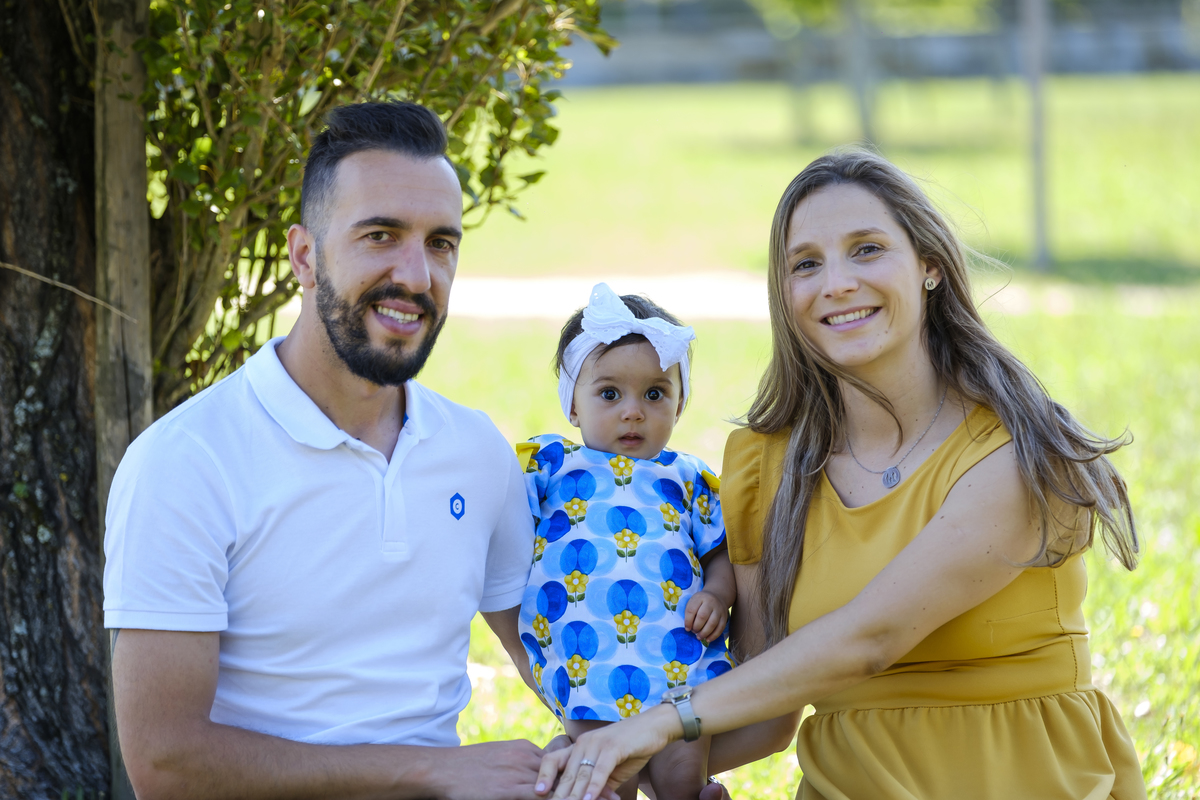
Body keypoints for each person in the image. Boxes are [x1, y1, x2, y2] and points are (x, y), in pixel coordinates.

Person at [536, 149, 1147, 800]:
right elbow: (769, 709)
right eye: (807, 264)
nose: (836, 284)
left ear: (930, 266)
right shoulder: (766, 466)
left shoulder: (1019, 455)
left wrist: (656, 725)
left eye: (866, 249)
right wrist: (606, 756)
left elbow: (870, 640)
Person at [102, 101, 579, 800]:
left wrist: (644, 755)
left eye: (441, 243)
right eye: (381, 235)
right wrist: (430, 771)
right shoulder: (185, 462)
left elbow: (557, 661)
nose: (416, 276)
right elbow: (166, 763)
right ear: (304, 255)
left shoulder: (475, 450)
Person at [514, 285, 737, 800]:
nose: (633, 412)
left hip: (677, 656)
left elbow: (718, 550)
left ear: (680, 405)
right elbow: (504, 530)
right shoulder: (550, 464)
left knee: (681, 772)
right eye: (610, 394)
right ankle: (573, 768)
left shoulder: (687, 477)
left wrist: (718, 595)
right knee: (606, 780)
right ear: (572, 404)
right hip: (587, 655)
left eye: (655, 393)